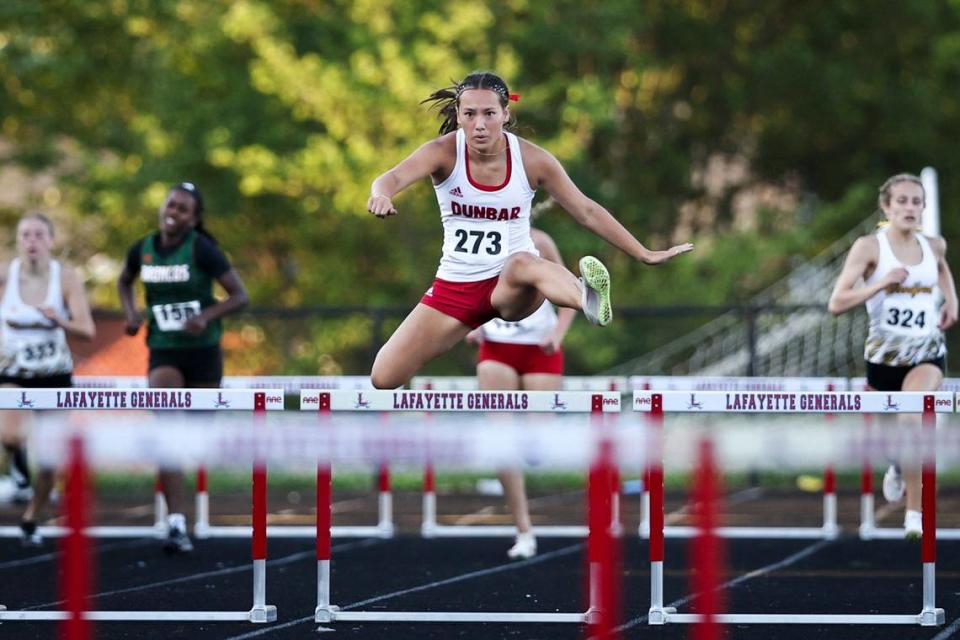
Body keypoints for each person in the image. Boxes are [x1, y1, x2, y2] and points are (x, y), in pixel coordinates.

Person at [366, 70, 693, 390]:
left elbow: (587, 211)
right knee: (384, 376)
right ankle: (580, 295)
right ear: (459, 114)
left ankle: (587, 298)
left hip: (511, 286)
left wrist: (643, 253)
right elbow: (391, 178)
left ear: (506, 114)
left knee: (523, 261)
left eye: (489, 113)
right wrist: (380, 194)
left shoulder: (534, 160)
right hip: (455, 286)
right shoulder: (442, 152)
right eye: (470, 114)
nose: (479, 124)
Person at [118, 182, 249, 554]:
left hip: (203, 353)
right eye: (171, 205)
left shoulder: (202, 249)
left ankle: (182, 501)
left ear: (193, 218)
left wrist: (206, 316)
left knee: (194, 437)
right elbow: (124, 281)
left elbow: (240, 296)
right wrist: (131, 315)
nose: (173, 212)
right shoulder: (141, 250)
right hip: (164, 351)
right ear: (163, 206)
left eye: (183, 209)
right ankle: (176, 521)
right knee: (167, 429)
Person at [828, 173, 958, 539]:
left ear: (923, 208)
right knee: (894, 440)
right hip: (883, 362)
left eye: (916, 201)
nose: (910, 208)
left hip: (927, 355)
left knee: (910, 419)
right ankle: (899, 467)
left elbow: (942, 269)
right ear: (887, 207)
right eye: (902, 201)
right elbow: (836, 303)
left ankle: (914, 515)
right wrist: (882, 284)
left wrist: (952, 299)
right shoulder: (870, 247)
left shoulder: (934, 246)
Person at [464, 224, 576, 559]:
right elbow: (462, 290)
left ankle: (533, 445)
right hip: (497, 349)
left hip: (540, 347)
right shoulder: (478, 240)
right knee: (502, 439)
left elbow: (572, 293)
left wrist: (558, 333)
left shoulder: (542, 241)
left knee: (536, 437)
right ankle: (523, 530)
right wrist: (473, 325)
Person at [0, 212, 96, 546]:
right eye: (26, 235)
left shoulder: (65, 277)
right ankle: (19, 471)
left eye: (40, 234)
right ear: (18, 242)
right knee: (10, 435)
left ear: (51, 241)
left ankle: (32, 515)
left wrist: (59, 320)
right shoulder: (5, 276)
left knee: (50, 457)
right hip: (13, 372)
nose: (32, 241)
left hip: (54, 374)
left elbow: (86, 330)